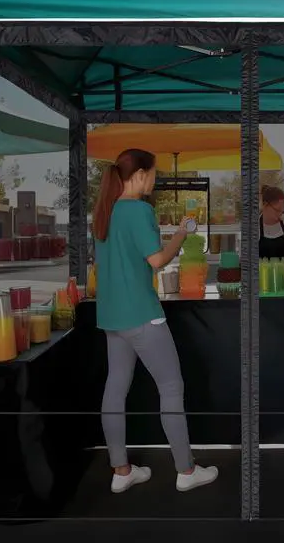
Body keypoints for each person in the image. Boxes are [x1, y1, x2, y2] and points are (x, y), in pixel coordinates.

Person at [92, 148, 218, 494]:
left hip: (112, 317)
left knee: (115, 389)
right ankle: (186, 470)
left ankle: (121, 470)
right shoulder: (139, 210)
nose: (155, 180)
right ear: (140, 175)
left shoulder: (104, 211)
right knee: (171, 388)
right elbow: (157, 260)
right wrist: (181, 234)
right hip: (143, 315)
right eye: (153, 174)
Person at [259, 184, 284, 266]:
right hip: (263, 274)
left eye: (283, 210)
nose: (280, 214)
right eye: (277, 210)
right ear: (265, 204)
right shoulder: (254, 227)